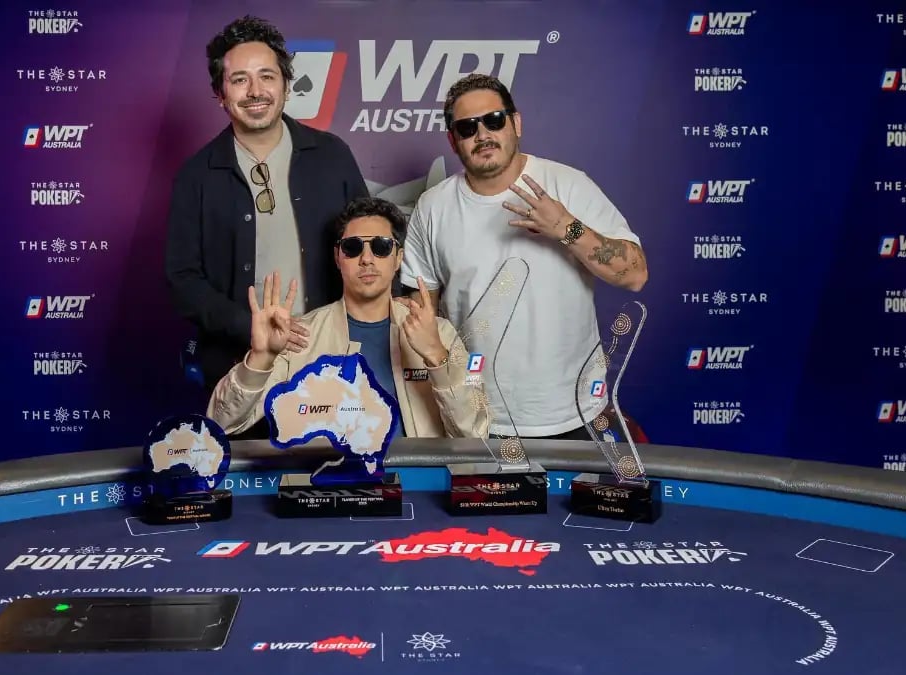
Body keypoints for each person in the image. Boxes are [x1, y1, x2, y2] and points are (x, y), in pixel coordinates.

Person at [398, 74, 649, 441]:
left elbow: (635, 273)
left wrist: (567, 228)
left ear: (516, 123)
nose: (483, 134)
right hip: (479, 420)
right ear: (453, 141)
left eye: (494, 120)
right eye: (467, 128)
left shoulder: (568, 185)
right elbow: (421, 319)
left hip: (575, 413)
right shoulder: (433, 207)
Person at [164, 15, 370, 431]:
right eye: (239, 79)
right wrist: (247, 326)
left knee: (338, 489)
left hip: (332, 366)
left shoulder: (332, 156)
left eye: (266, 76)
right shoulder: (196, 175)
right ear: (220, 94)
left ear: (287, 85)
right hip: (242, 368)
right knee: (251, 490)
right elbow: (183, 279)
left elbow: (370, 243)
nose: (256, 91)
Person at [207, 197, 489, 440]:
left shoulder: (439, 333)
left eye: (380, 246)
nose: (367, 259)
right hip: (325, 494)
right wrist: (261, 357)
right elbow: (221, 423)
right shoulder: (298, 337)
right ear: (338, 257)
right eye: (353, 248)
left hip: (417, 493)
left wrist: (437, 358)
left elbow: (476, 434)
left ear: (398, 257)